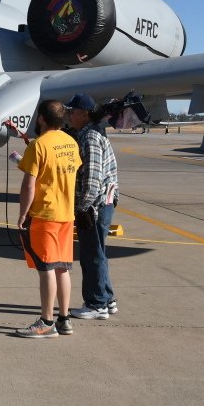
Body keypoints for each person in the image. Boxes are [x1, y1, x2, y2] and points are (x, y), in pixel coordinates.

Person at [13, 99, 80, 339]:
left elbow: (29, 185)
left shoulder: (38, 146)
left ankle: (46, 321)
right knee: (63, 268)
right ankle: (64, 319)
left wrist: (22, 213)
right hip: (66, 214)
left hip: (46, 215)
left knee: (46, 269)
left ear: (41, 118)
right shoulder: (71, 143)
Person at [67, 93, 119, 320]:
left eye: (72, 111)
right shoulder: (89, 133)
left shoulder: (89, 137)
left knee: (91, 254)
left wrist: (82, 207)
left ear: (84, 114)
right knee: (98, 252)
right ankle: (107, 299)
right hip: (102, 202)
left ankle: (96, 304)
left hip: (95, 205)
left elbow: (92, 179)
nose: (68, 115)